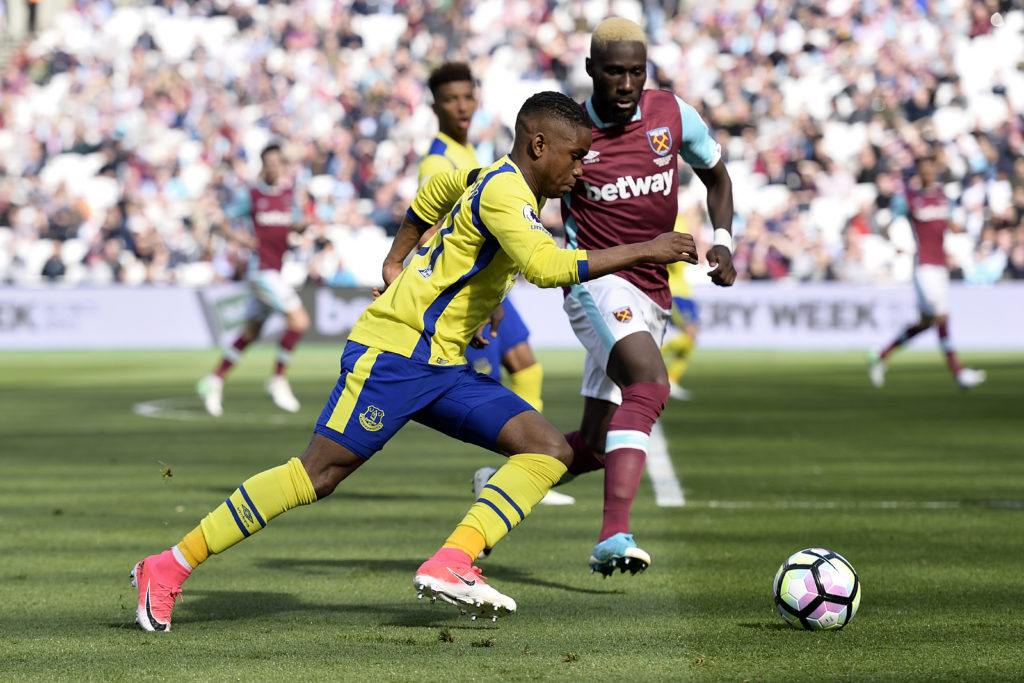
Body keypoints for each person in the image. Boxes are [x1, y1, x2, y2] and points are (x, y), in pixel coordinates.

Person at [130, 91, 699, 631]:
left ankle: (453, 559)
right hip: (394, 355)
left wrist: (399, 262)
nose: (581, 170)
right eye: (576, 156)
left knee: (547, 449)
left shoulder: (484, 179)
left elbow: (429, 200)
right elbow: (548, 267)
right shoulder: (505, 194)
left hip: (442, 365)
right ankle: (168, 566)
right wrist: (647, 249)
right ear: (539, 147)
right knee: (318, 474)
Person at [559, 17, 736, 577]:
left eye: (637, 71)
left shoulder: (672, 115)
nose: (628, 83)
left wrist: (725, 243)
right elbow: (514, 203)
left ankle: (509, 474)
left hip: (653, 291)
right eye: (615, 71)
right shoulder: (567, 132)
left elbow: (718, 177)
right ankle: (613, 535)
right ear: (591, 71)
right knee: (650, 383)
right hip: (596, 282)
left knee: (590, 445)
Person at [418, 61, 573, 507]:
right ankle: (522, 472)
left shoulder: (468, 152)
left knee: (526, 367)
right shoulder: (439, 158)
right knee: (506, 376)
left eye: (467, 96)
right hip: (467, 283)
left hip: (491, 283)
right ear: (435, 105)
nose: (461, 106)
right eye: (451, 99)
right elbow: (429, 222)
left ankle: (521, 471)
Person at [196, 143, 312, 417]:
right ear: (263, 165)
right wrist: (241, 239)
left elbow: (295, 223)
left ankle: (213, 380)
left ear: (282, 166)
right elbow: (222, 221)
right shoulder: (251, 195)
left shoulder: (286, 196)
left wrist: (304, 223)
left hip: (276, 269)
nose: (273, 167)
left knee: (251, 332)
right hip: (261, 271)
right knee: (300, 321)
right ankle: (278, 379)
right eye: (269, 162)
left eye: (277, 162)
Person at [868, 154, 985, 389]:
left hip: (941, 267)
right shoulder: (910, 200)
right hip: (923, 267)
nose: (929, 173)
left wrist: (959, 229)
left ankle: (880, 357)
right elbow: (887, 225)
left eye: (932, 169)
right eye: (924, 170)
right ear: (919, 174)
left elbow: (951, 224)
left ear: (936, 171)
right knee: (942, 316)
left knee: (925, 323)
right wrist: (895, 242)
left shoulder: (944, 199)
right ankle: (958, 373)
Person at [661, 215, 701, 401]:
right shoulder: (668, 220)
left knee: (692, 338)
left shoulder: (682, 219)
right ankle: (646, 361)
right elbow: (668, 254)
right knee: (690, 334)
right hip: (673, 290)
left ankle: (671, 378)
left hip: (685, 290)